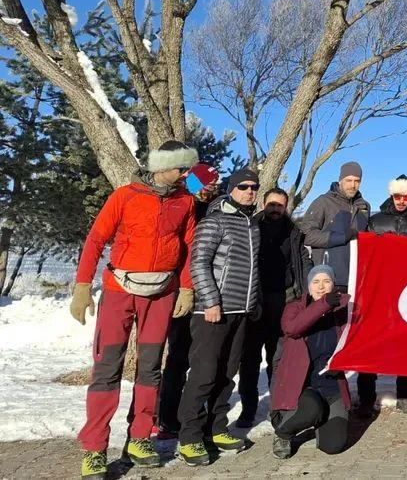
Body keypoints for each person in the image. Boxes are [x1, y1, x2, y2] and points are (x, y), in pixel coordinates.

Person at [70, 141, 199, 479]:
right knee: (107, 368)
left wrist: (186, 287)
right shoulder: (125, 195)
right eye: (181, 168)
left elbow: (188, 247)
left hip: (161, 294)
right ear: (162, 166)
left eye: (188, 168)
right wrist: (82, 286)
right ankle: (95, 448)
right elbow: (96, 239)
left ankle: (140, 438)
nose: (186, 174)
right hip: (119, 291)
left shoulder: (184, 201)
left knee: (150, 368)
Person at [176, 168, 263, 466]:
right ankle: (189, 437)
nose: (249, 191)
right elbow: (198, 264)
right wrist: (211, 301)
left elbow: (251, 271)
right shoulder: (214, 220)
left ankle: (215, 429)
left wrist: (253, 303)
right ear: (231, 189)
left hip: (241, 310)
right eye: (243, 187)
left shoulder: (252, 225)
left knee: (227, 374)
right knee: (203, 374)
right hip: (213, 312)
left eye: (254, 187)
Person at [297, 161, 373, 414]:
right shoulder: (323, 202)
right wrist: (342, 237)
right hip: (329, 282)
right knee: (327, 341)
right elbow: (307, 234)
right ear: (340, 180)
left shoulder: (364, 206)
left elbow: (368, 240)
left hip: (355, 281)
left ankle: (363, 399)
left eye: (357, 181)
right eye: (349, 179)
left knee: (358, 340)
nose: (353, 184)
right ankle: (321, 395)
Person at [236, 187, 311, 429]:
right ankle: (248, 408)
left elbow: (303, 260)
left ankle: (277, 406)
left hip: (285, 298)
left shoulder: (294, 231)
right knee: (250, 357)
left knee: (278, 357)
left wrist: (307, 289)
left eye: (280, 205)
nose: (276, 209)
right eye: (272, 204)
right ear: (263, 204)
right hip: (255, 299)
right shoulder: (251, 227)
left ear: (286, 207)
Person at [157, 163, 220, 440]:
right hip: (180, 293)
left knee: (205, 360)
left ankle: (197, 417)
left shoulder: (215, 210)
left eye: (213, 186)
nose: (208, 190)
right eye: (204, 184)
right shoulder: (181, 205)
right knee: (178, 357)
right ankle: (168, 417)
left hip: (208, 294)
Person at [269, 265, 351, 459]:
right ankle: (283, 433)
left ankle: (319, 421)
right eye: (316, 282)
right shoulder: (294, 308)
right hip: (303, 388)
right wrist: (323, 304)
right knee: (312, 408)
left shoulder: (342, 310)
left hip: (332, 387)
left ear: (333, 284)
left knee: (334, 446)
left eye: (326, 281)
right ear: (308, 286)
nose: (321, 287)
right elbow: (293, 328)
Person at [370, 176, 407, 414]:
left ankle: (405, 394)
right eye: (397, 197)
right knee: (371, 339)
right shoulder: (376, 220)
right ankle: (365, 396)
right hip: (380, 287)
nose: (401, 201)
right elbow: (367, 252)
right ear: (391, 196)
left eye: (405, 197)